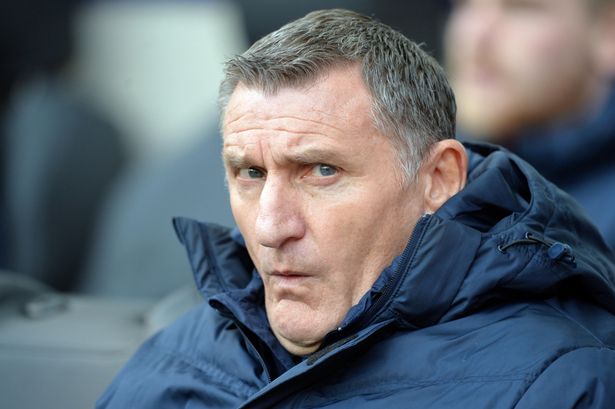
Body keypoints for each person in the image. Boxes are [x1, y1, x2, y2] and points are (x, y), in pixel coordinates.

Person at [98, 9, 615, 408]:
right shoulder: (176, 355)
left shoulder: (557, 383)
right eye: (250, 173)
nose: (271, 226)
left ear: (439, 179)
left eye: (322, 170)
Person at [444, 0, 615, 250]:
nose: (474, 34)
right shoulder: (417, 179)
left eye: (521, 8)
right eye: (465, 3)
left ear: (608, 30)